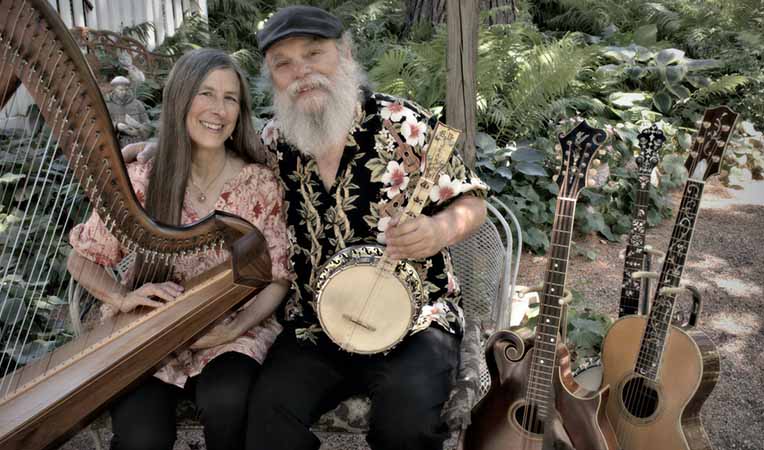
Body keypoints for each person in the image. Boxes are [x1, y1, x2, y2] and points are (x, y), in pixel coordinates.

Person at [247, 6, 487, 450]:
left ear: (345, 53)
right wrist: (154, 149)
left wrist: (438, 231)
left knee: (407, 426)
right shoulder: (275, 143)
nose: (302, 72)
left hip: (415, 322)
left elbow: (472, 202)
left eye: (314, 53)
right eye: (284, 63)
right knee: (266, 424)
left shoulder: (403, 125)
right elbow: (215, 157)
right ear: (271, 76)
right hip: (316, 325)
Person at [67, 48, 292, 450]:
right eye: (205, 94)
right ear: (180, 99)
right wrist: (121, 297)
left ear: (240, 112)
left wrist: (236, 327)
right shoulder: (142, 179)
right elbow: (80, 260)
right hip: (149, 331)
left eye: (230, 98)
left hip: (232, 331)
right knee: (141, 439)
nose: (218, 109)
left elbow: (277, 276)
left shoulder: (259, 183)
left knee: (227, 403)